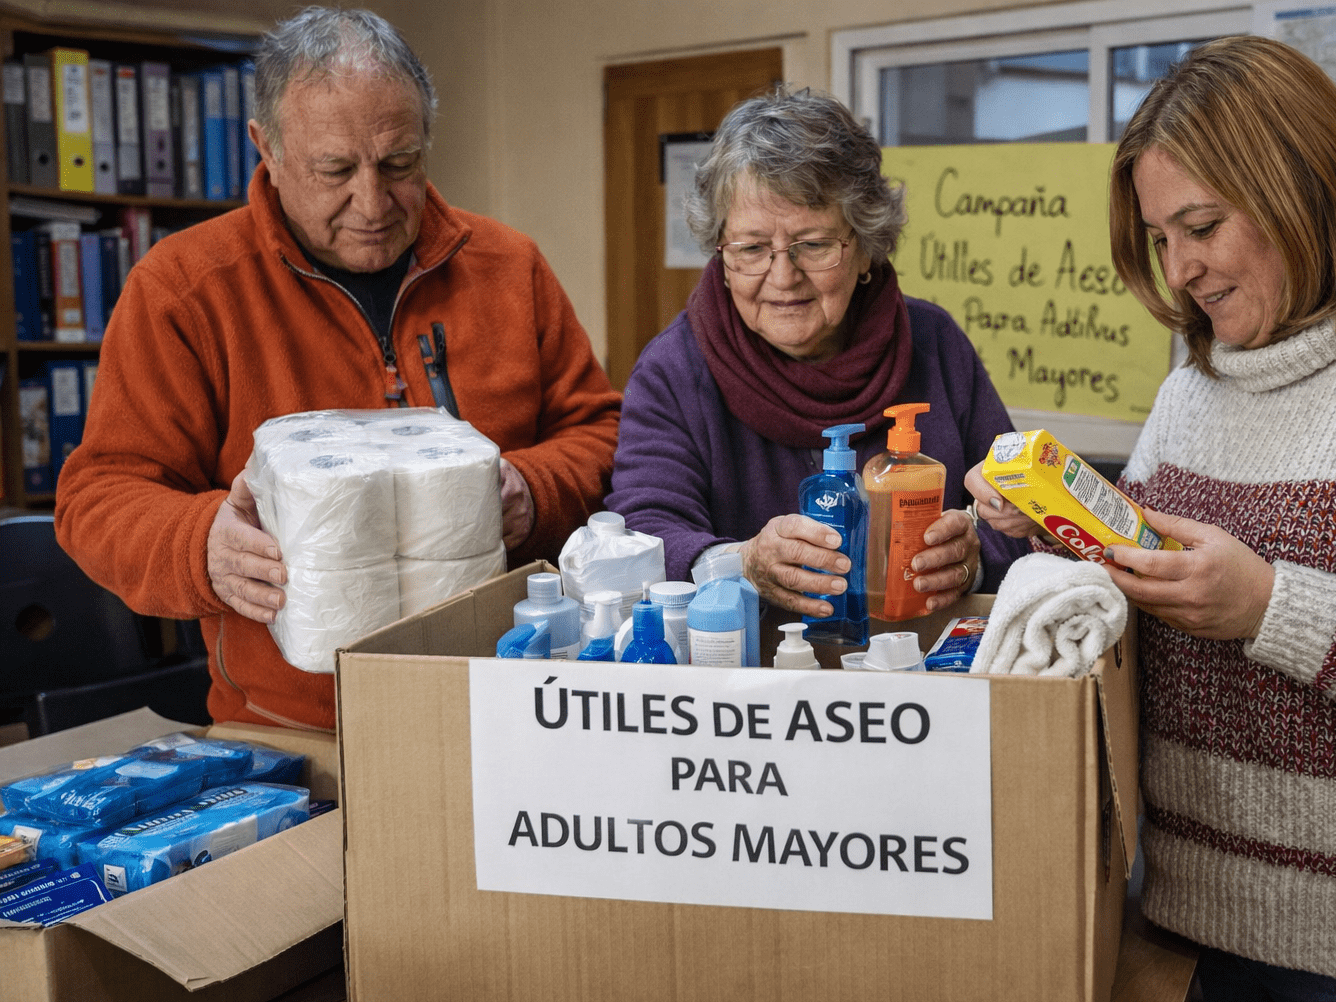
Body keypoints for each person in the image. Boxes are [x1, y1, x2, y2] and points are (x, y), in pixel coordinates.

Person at [969, 35, 1336, 1002]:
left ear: (1305, 189)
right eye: (1160, 238)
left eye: (1202, 226)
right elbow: (1159, 586)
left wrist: (1269, 606)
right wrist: (1054, 540)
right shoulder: (1197, 383)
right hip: (1194, 932)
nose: (1180, 269)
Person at [54, 7, 621, 732]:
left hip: (506, 705)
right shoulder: (186, 289)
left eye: (399, 164)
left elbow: (601, 432)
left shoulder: (510, 268)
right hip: (288, 726)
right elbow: (97, 497)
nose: (373, 203)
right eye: (335, 170)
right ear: (267, 148)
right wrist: (205, 546)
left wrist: (534, 490)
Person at [606, 87, 1029, 620]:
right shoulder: (673, 371)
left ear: (867, 244)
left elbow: (1020, 514)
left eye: (813, 244)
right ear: (720, 248)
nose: (783, 278)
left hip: (920, 670)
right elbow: (642, 538)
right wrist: (742, 563)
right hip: (743, 680)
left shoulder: (936, 345)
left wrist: (974, 557)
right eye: (752, 248)